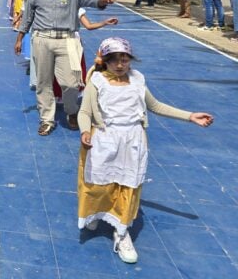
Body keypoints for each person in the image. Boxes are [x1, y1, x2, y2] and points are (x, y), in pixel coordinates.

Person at [77, 37, 213, 264]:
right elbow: (84, 112)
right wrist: (85, 131)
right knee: (100, 185)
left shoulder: (137, 80)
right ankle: (97, 213)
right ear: (105, 61)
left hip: (133, 141)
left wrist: (189, 116)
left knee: (129, 186)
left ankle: (121, 233)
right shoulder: (97, 81)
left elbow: (155, 105)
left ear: (130, 60)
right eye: (114, 61)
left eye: (125, 60)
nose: (120, 65)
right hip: (105, 139)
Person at [14, 0, 114, 136]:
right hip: (42, 39)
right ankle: (47, 119)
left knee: (71, 83)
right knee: (43, 82)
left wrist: (101, 0)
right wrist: (19, 39)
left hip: (67, 40)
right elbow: (27, 18)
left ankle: (71, 111)